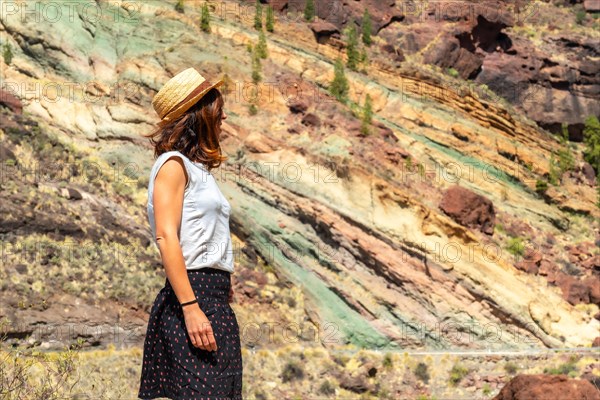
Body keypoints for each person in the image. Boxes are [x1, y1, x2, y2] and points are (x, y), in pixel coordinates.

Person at [137, 67, 243, 399]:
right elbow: (166, 237)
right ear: (199, 115)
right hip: (192, 298)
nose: (223, 115)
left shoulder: (198, 171)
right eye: (217, 108)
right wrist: (190, 306)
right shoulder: (173, 165)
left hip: (213, 300)